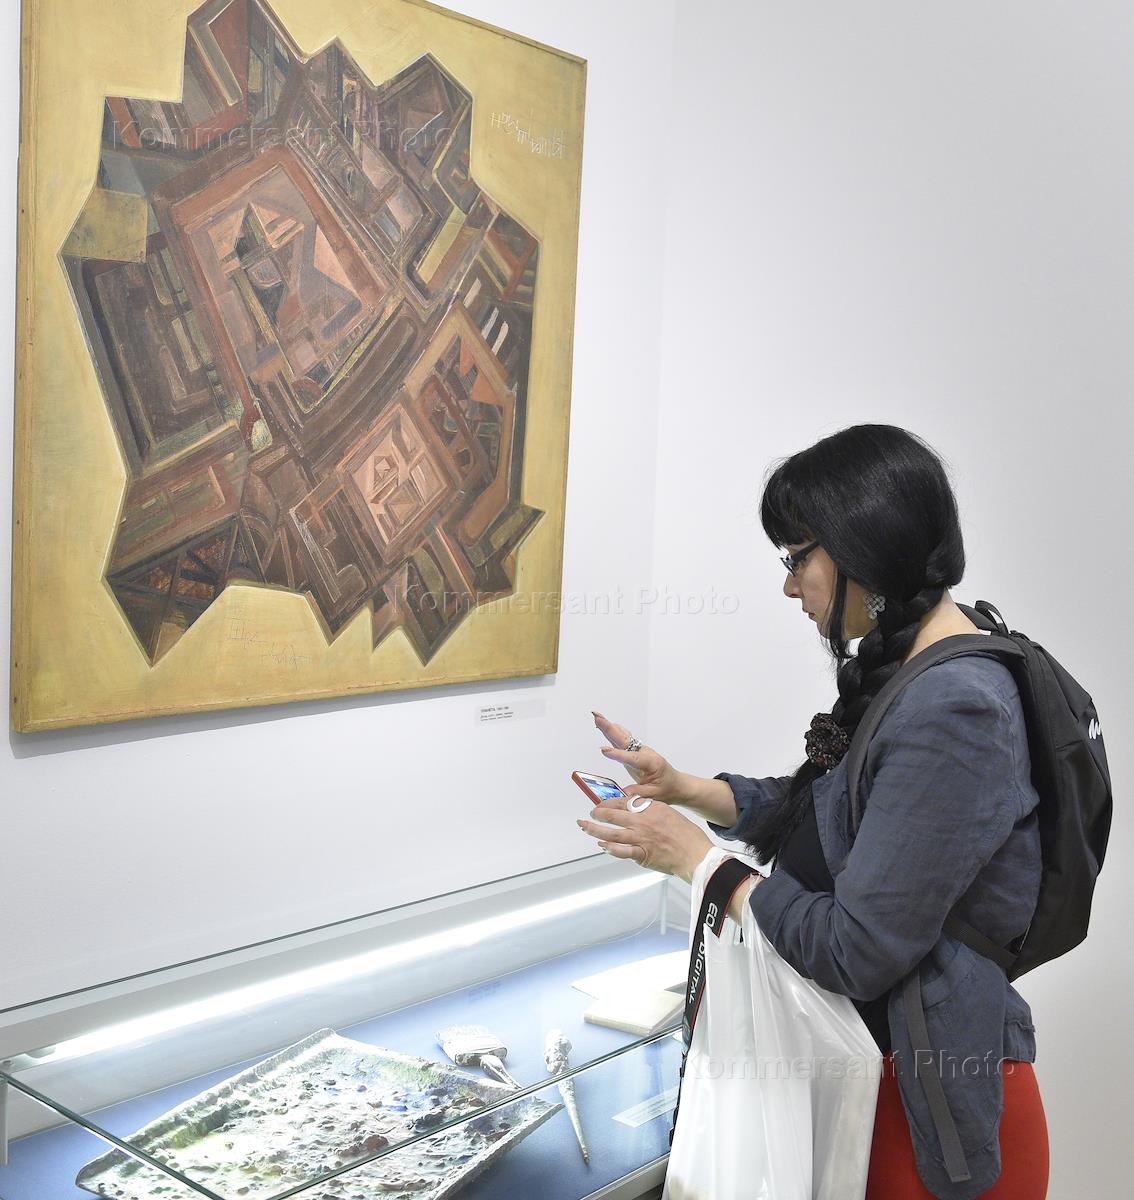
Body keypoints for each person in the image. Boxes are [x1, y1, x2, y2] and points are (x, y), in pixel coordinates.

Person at [577, 424, 1050, 1199]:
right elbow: (828, 818)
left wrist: (700, 863)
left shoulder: (955, 706)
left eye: (798, 558)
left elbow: (856, 950)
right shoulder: (920, 670)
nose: (790, 587)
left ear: (865, 549)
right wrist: (682, 786)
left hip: (922, 1112)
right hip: (878, 1079)